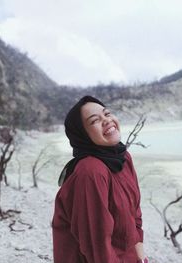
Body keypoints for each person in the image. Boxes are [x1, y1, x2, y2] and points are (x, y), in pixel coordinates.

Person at [52, 96, 147, 263]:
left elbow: (135, 209)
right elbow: (97, 246)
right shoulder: (90, 172)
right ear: (83, 135)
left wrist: (139, 246)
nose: (107, 120)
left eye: (107, 113)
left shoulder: (123, 158)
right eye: (95, 121)